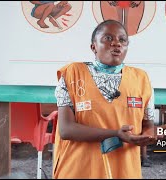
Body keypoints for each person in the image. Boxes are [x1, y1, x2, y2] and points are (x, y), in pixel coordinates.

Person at [53, 19, 157, 178]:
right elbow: (66, 130)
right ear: (93, 46)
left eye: (122, 40)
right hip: (79, 170)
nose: (117, 44)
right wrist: (116, 133)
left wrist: (149, 135)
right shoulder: (72, 74)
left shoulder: (141, 79)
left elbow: (147, 124)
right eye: (108, 38)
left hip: (123, 170)